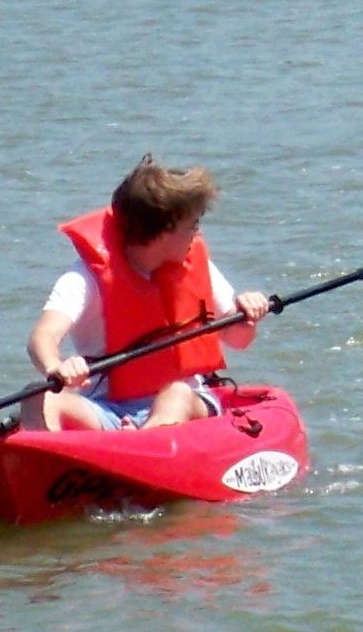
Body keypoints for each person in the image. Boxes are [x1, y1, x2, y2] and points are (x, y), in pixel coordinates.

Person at [25, 157, 274, 434]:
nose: (197, 232)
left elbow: (239, 340)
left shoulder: (196, 265)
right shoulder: (86, 278)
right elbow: (43, 336)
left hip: (187, 402)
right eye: (192, 224)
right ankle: (58, 464)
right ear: (165, 229)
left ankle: (138, 445)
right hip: (108, 409)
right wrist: (55, 367)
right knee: (39, 396)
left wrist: (247, 315)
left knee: (176, 393)